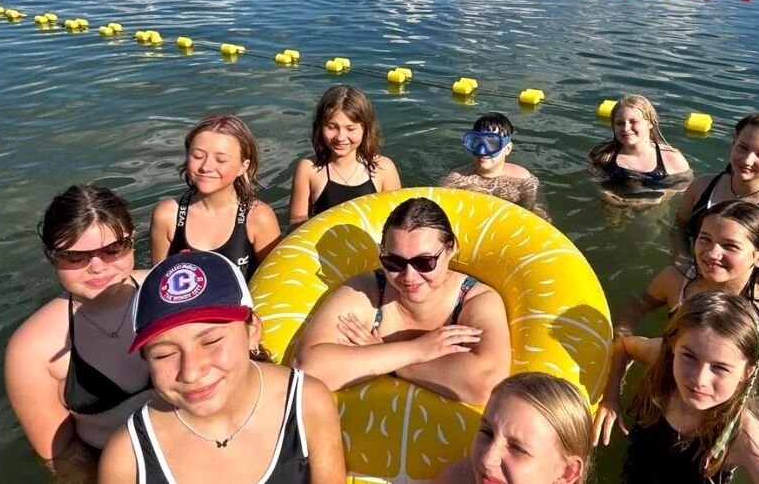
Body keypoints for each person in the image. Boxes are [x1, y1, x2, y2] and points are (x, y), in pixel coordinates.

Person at [606, 200, 759, 479]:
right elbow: (634, 310)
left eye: (730, 246)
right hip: (674, 378)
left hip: (727, 398)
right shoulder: (676, 280)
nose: (712, 253)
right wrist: (621, 365)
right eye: (705, 239)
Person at [98, 251, 345, 483]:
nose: (191, 373)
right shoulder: (127, 458)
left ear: (252, 331)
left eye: (211, 341)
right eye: (164, 354)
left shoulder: (307, 402)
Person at [291, 197, 510, 405]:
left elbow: (487, 383)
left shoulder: (475, 300)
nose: (409, 276)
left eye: (424, 262)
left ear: (450, 248)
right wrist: (416, 350)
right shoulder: (368, 291)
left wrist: (391, 360)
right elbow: (305, 367)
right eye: (394, 262)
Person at [5, 185, 154, 480]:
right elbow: (61, 454)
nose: (97, 268)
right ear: (51, 257)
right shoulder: (31, 349)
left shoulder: (169, 292)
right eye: (75, 257)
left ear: (132, 241)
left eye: (113, 249)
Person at [595, 291, 759, 483]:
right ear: (673, 345)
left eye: (720, 367)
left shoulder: (742, 436)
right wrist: (611, 398)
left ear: (747, 372)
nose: (699, 379)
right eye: (689, 356)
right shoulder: (662, 360)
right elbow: (623, 347)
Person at [670, 112, 759, 292]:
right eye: (743, 147)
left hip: (743, 294)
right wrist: (685, 266)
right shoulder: (702, 185)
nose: (747, 160)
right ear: (734, 142)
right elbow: (679, 229)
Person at [150, 115, 281, 281]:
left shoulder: (259, 217)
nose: (206, 167)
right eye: (197, 156)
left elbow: (274, 281)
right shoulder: (167, 215)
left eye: (221, 160)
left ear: (243, 167)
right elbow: (158, 282)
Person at [435, 372, 594, 484]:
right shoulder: (460, 478)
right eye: (487, 432)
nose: (487, 460)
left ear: (567, 472)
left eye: (517, 448)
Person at [289, 85, 401, 228]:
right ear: (320, 126)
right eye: (332, 127)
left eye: (350, 128)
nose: (340, 137)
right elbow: (296, 224)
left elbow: (397, 225)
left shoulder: (384, 169)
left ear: (365, 129)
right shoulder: (309, 169)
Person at [440, 111, 550, 221]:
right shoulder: (455, 180)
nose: (482, 151)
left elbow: (538, 214)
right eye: (477, 142)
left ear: (508, 149)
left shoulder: (523, 179)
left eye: (492, 143)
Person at [589, 95, 692, 207]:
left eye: (633, 121)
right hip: (613, 206)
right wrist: (606, 195)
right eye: (620, 123)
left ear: (651, 122)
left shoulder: (672, 159)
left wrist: (661, 196)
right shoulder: (602, 154)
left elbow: (685, 185)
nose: (626, 128)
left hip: (652, 208)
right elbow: (593, 179)